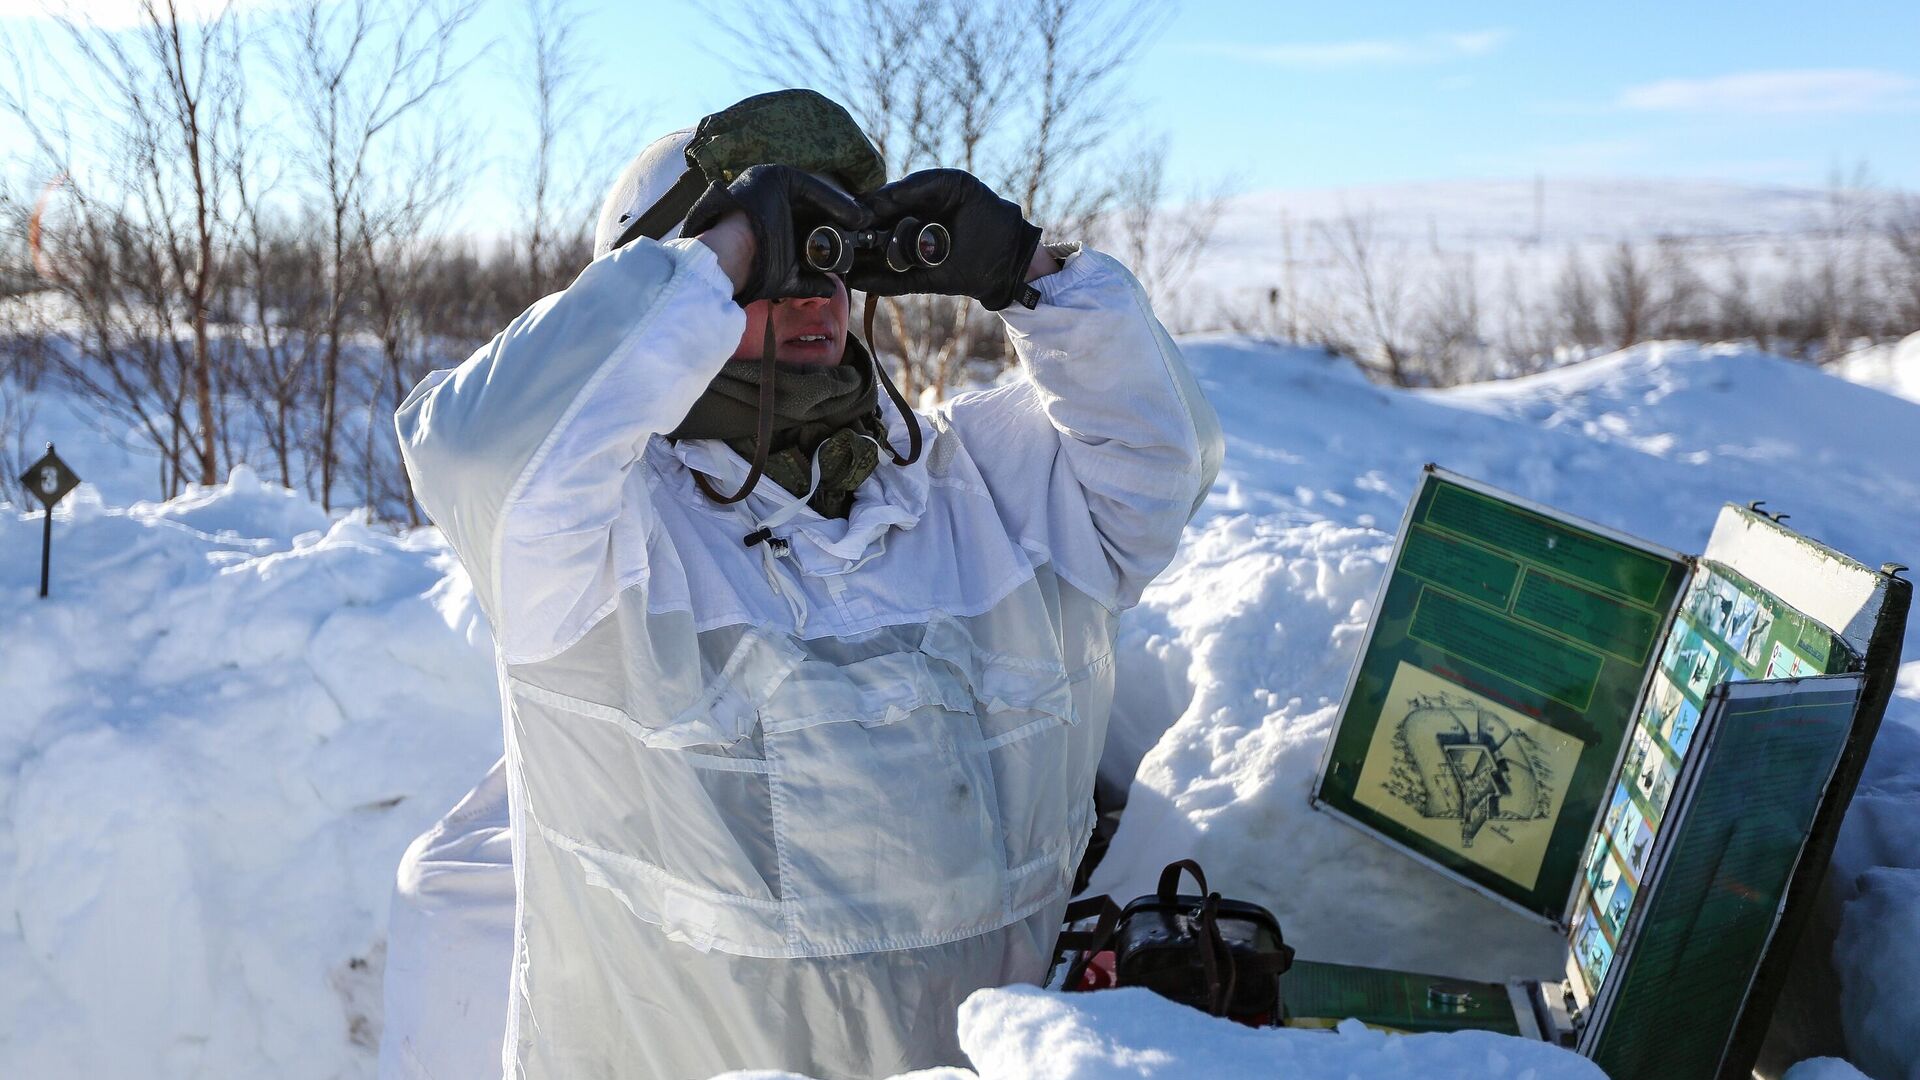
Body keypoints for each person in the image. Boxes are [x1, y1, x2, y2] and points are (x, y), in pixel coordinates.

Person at [383, 89, 1221, 1080]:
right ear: (665, 286)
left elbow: (1166, 454)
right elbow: (474, 449)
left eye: (835, 254)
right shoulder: (600, 546)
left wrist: (1023, 269)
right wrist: (729, 243)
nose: (812, 291)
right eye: (778, 261)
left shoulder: (984, 498)